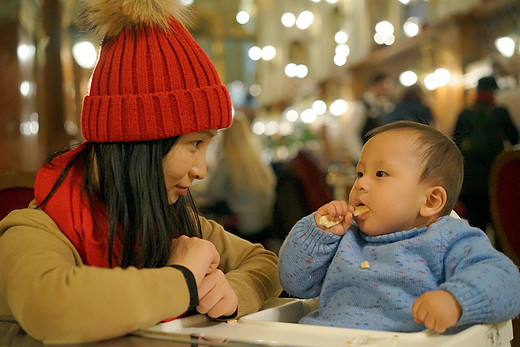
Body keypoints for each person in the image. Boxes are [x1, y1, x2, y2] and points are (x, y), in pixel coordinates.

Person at [0, 1, 281, 344]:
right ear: (141, 144)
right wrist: (183, 280)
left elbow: (263, 262)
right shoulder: (33, 230)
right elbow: (51, 307)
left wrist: (234, 291)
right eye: (194, 144)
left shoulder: (174, 221)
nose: (201, 170)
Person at [279, 121, 520, 333]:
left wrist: (456, 301)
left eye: (380, 173)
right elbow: (294, 283)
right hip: (321, 337)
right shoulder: (345, 236)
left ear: (430, 201)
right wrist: (318, 234)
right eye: (360, 172)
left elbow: (506, 280)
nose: (361, 183)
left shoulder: (450, 238)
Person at [196, 114, 276, 244]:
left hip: (242, 228)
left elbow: (211, 193)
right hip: (264, 226)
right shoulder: (257, 158)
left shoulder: (228, 159)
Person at [453, 76, 519, 231]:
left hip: (470, 181)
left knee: (476, 226)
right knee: (500, 225)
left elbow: (454, 145)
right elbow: (515, 138)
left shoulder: (464, 114)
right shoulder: (500, 113)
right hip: (495, 177)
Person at [346, 73, 394, 163]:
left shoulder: (386, 105)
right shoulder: (362, 106)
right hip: (367, 157)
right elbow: (352, 133)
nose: (387, 89)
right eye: (384, 85)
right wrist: (360, 157)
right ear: (375, 86)